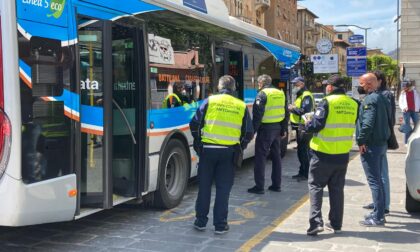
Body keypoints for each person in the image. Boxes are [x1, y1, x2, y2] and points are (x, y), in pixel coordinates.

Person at [190, 75, 253, 234]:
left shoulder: (209, 101)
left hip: (208, 151)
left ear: (219, 87)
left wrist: (198, 144)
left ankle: (200, 222)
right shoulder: (241, 105)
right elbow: (248, 132)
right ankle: (220, 224)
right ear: (233, 88)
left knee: (204, 187)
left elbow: (195, 124)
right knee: (223, 189)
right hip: (229, 152)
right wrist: (240, 147)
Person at [304, 75, 359, 235]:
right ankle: (336, 224)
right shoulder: (353, 103)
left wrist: (308, 123)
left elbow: (316, 125)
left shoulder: (327, 102)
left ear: (330, 87)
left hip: (322, 152)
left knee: (315, 186)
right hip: (342, 153)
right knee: (337, 189)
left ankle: (315, 223)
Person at [356, 73, 391, 226]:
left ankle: (378, 217)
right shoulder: (382, 97)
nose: (360, 87)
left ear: (369, 84)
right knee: (379, 181)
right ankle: (379, 211)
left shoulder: (370, 99)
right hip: (381, 143)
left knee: (374, 181)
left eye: (362, 84)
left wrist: (361, 140)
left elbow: (368, 123)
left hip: (372, 145)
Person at [247, 74, 288, 194]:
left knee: (260, 157)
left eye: (258, 84)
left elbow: (257, 115)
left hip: (265, 130)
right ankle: (276, 185)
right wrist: (284, 129)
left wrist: (253, 131)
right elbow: (286, 112)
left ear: (261, 83)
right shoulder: (280, 93)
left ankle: (259, 186)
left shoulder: (262, 94)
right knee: (276, 157)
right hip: (278, 128)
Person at [363, 71, 395, 214]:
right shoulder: (376, 95)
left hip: (377, 140)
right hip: (379, 138)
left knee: (381, 174)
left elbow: (389, 118)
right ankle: (379, 202)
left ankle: (384, 205)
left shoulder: (384, 95)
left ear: (379, 81)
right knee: (378, 174)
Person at [288, 77, 314, 181]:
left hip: (304, 126)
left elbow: (304, 111)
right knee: (301, 151)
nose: (294, 86)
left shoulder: (306, 95)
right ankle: (302, 171)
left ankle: (306, 173)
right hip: (299, 126)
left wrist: (292, 109)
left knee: (304, 151)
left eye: (296, 84)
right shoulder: (300, 95)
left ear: (302, 84)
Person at [398, 79, 420, 143]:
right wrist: (403, 108)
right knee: (407, 126)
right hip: (406, 111)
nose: (404, 88)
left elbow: (417, 100)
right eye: (403, 86)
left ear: (408, 86)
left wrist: (417, 109)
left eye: (405, 86)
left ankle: (414, 137)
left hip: (414, 110)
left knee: (417, 124)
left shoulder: (414, 92)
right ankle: (407, 141)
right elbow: (400, 102)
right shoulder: (403, 93)